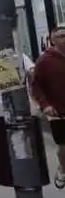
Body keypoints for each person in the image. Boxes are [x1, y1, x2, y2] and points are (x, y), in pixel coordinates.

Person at [30, 25, 65, 189]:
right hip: (58, 111)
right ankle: (63, 168)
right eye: (61, 36)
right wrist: (46, 105)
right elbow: (36, 86)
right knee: (64, 146)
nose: (64, 38)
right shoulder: (45, 60)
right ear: (53, 40)